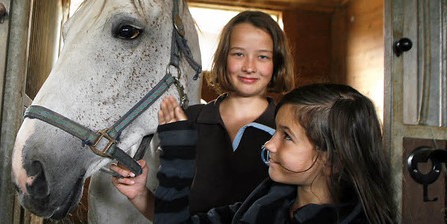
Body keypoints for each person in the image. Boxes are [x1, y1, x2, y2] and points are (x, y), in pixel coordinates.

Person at [111, 10, 295, 220]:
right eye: (238, 54)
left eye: (262, 56)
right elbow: (171, 216)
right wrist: (140, 194)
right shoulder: (187, 119)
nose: (249, 67)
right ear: (223, 58)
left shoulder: (288, 128)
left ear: (276, 62)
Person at [155, 83, 397, 223]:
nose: (269, 145)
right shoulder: (266, 201)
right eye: (275, 132)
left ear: (333, 160)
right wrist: (178, 154)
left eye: (287, 136)